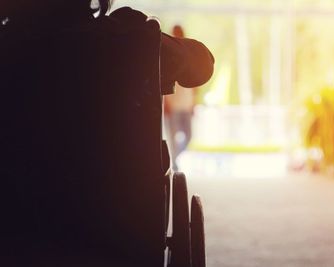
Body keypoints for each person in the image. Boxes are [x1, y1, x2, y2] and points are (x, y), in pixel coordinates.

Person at [0, 0, 214, 265]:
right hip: (119, 227)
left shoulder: (9, 48)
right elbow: (202, 65)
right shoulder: (132, 39)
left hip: (15, 227)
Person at [164, 24, 199, 171]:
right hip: (173, 106)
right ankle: (174, 162)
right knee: (171, 139)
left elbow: (196, 84)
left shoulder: (190, 55)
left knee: (189, 136)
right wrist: (165, 103)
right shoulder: (167, 55)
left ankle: (175, 158)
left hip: (185, 105)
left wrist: (194, 104)